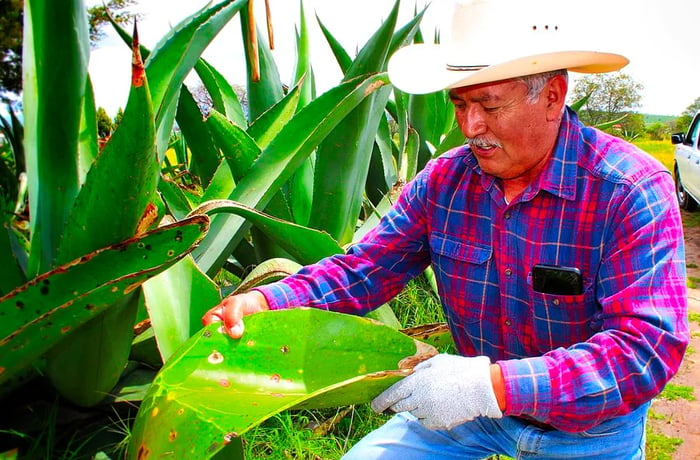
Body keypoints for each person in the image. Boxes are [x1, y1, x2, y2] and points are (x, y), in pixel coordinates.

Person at [203, 0, 689, 458]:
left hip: (589, 427)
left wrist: (491, 386)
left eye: (490, 105)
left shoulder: (629, 190)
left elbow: (645, 349)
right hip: (470, 409)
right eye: (459, 104)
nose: (470, 125)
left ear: (553, 97)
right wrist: (268, 301)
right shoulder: (444, 182)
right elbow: (364, 268)